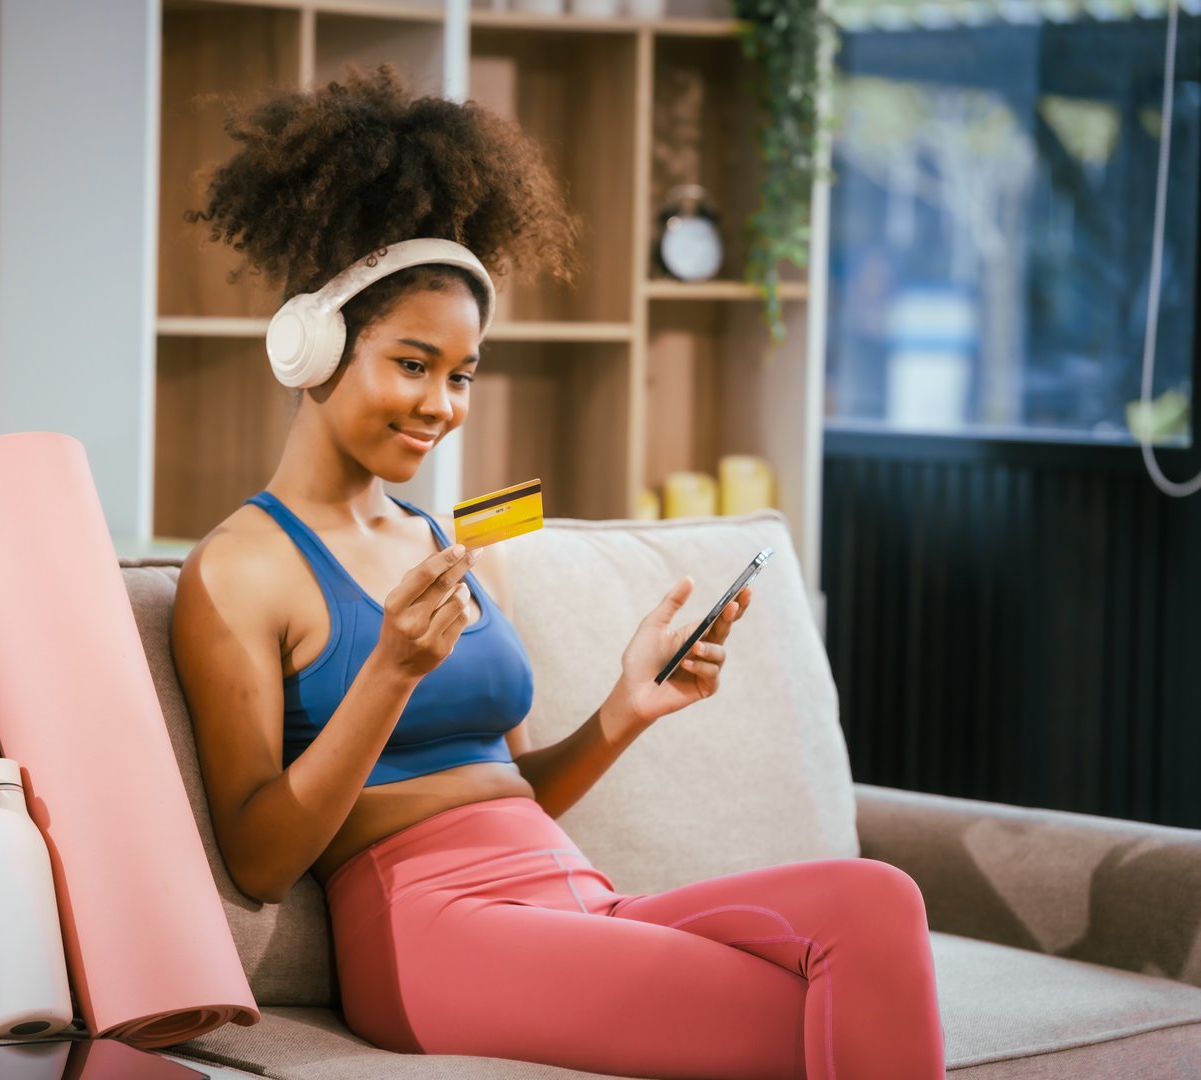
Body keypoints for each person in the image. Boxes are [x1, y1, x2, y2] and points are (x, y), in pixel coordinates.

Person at [170, 66, 945, 1080]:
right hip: (430, 929)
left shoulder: (435, 541)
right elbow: (261, 859)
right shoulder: (239, 570)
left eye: (462, 375)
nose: (442, 405)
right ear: (313, 349)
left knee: (879, 903)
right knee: (806, 1017)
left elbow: (512, 782)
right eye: (412, 364)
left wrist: (625, 709)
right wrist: (389, 674)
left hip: (570, 891)